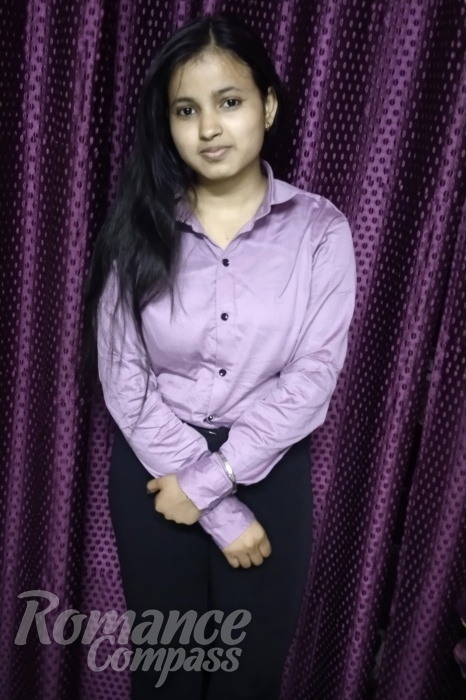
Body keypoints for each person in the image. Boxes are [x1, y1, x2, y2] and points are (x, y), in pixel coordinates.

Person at [83, 12, 356, 700]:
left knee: (247, 681)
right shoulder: (138, 226)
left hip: (269, 470)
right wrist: (216, 507)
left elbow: (313, 379)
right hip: (154, 471)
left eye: (229, 102)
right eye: (186, 110)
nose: (208, 128)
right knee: (165, 677)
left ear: (267, 105)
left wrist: (214, 483)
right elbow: (123, 378)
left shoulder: (320, 231)